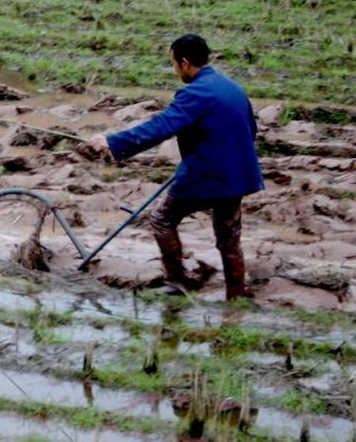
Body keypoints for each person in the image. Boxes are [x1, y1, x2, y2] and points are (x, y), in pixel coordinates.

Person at [88, 33, 263, 300]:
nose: (175, 70)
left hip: (207, 175)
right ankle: (236, 295)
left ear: (184, 62)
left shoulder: (195, 93)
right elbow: (251, 129)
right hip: (237, 176)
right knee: (229, 237)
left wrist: (112, 142)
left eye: (173, 64)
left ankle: (177, 282)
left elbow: (162, 127)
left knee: (161, 220)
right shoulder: (231, 86)